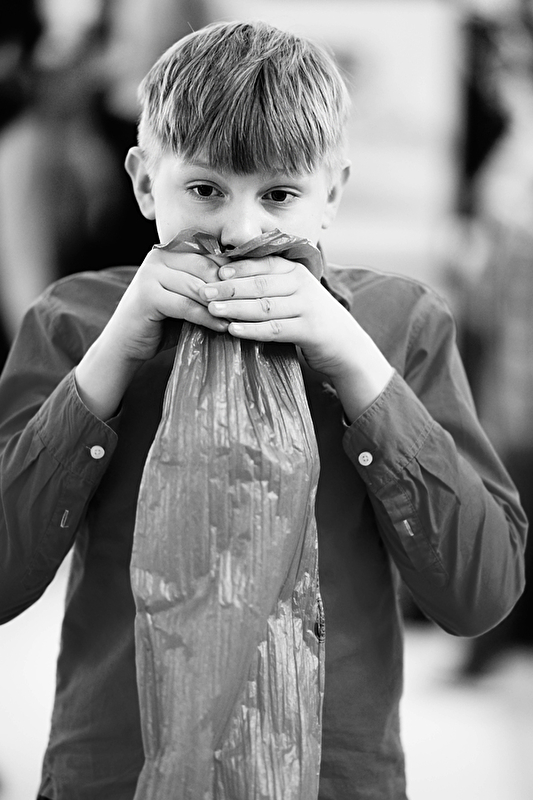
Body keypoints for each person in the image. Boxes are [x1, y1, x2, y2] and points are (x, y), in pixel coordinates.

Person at [0, 20, 527, 800]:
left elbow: (480, 593)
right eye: (204, 190)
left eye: (279, 194)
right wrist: (110, 360)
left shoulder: (399, 328)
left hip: (332, 778)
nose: (241, 231)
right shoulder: (74, 324)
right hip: (116, 775)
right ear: (145, 183)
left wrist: (355, 365)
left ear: (331, 193)